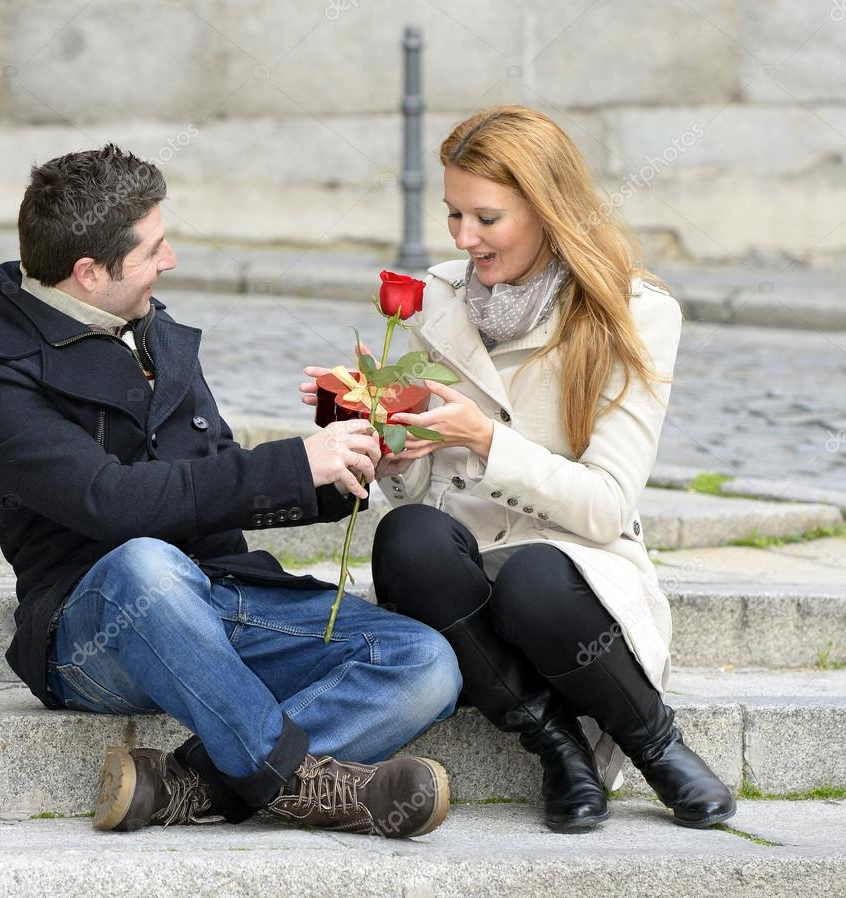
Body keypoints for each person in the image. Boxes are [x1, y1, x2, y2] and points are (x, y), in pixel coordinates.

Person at [0, 144, 462, 839]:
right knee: (145, 565)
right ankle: (310, 786)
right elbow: (115, 502)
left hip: (223, 599)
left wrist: (355, 453)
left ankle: (182, 784)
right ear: (89, 272)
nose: (172, 261)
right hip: (101, 629)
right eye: (155, 247)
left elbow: (219, 474)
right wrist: (289, 464)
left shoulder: (157, 334)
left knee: (425, 663)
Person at [301, 105, 736, 833]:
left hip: (572, 573)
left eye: (487, 218)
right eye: (453, 216)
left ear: (546, 210)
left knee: (534, 574)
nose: (465, 238)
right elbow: (415, 492)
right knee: (405, 533)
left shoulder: (634, 312)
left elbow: (606, 506)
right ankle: (553, 741)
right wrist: (380, 433)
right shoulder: (438, 300)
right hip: (461, 577)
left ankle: (655, 742)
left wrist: (485, 440)